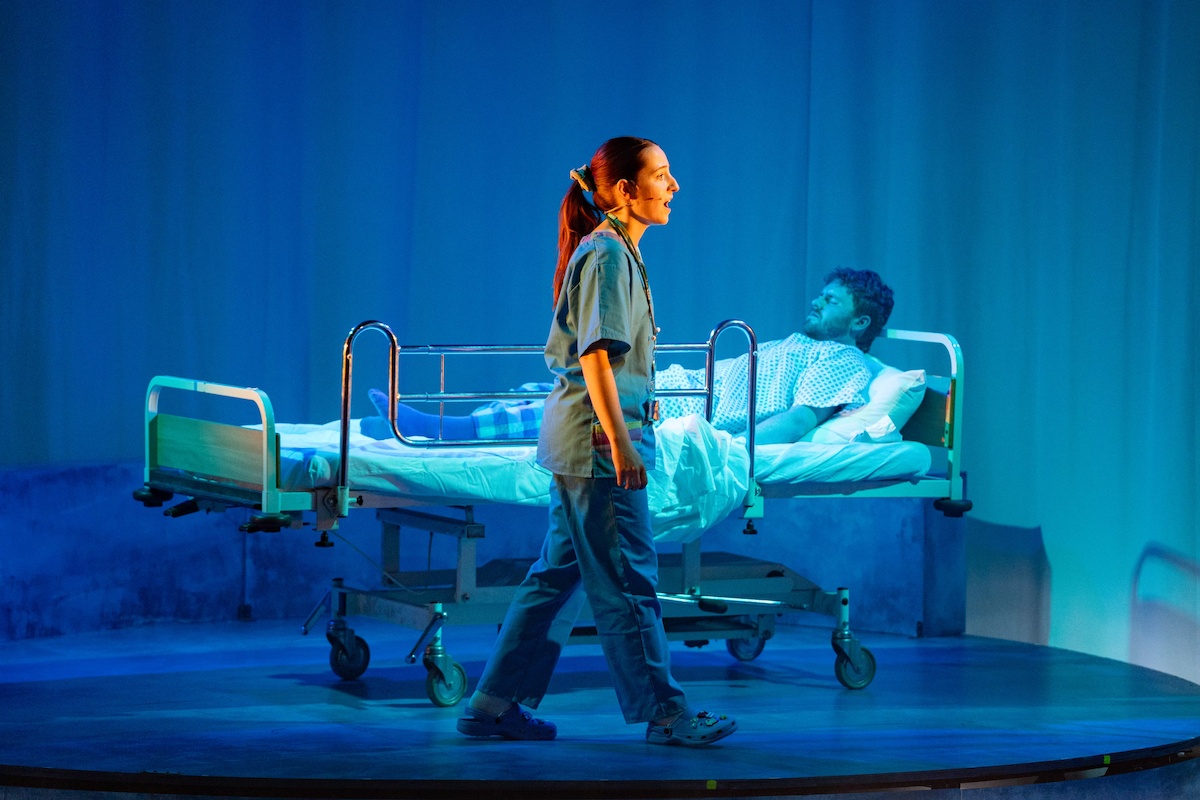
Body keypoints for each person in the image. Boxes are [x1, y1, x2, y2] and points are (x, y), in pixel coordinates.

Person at [455, 137, 737, 746]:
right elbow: (597, 360)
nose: (674, 186)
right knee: (627, 580)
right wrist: (621, 444)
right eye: (662, 176)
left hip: (586, 441)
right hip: (597, 444)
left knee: (557, 574)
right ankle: (665, 713)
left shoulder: (620, 253)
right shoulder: (607, 256)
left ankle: (492, 703)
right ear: (623, 191)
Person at [366, 269, 894, 446]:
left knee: (580, 408)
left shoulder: (843, 364)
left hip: (686, 411)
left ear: (861, 322)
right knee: (558, 389)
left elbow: (801, 420)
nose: (817, 301)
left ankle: (437, 431)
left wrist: (728, 449)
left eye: (832, 300)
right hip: (675, 385)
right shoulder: (803, 345)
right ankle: (437, 421)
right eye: (821, 294)